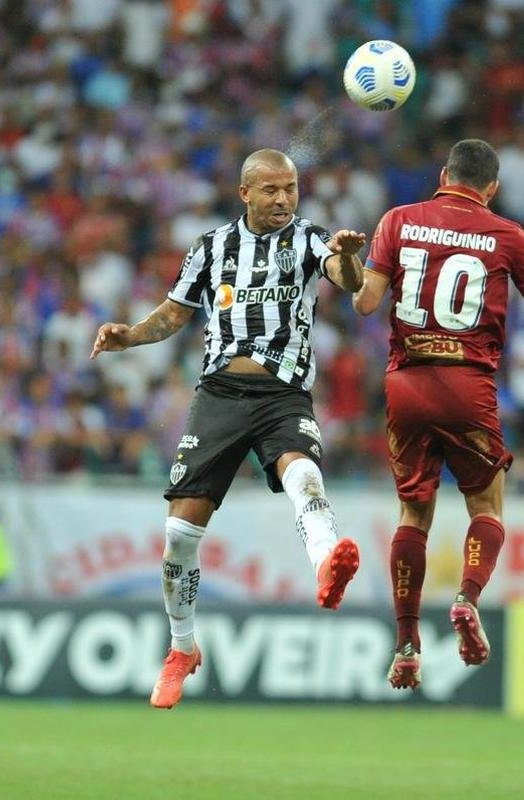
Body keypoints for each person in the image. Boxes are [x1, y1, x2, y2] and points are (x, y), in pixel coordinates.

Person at [91, 149, 367, 709]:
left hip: (283, 393)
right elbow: (173, 313)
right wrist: (129, 337)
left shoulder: (312, 239)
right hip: (218, 396)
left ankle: (326, 563)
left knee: (305, 475)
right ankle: (182, 649)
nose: (284, 199)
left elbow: (349, 283)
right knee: (178, 537)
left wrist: (349, 257)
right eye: (271, 190)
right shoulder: (211, 248)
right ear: (245, 193)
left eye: (290, 188)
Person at [353, 139, 524, 690]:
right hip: (468, 383)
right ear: (491, 187)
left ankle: (405, 640)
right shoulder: (508, 236)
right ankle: (467, 598)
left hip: (406, 384)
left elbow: (365, 302)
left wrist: (348, 261)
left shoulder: (398, 220)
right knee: (487, 505)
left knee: (413, 516)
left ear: (443, 173)